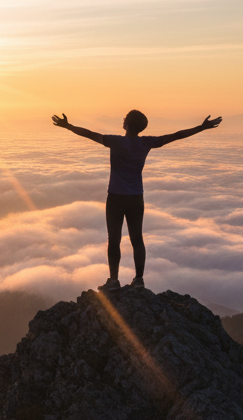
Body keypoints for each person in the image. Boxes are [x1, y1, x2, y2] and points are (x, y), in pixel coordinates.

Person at [51, 109, 221, 292]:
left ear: (127, 125)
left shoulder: (116, 142)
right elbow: (176, 136)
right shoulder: (146, 143)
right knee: (137, 239)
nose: (122, 120)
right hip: (136, 198)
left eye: (124, 119)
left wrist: (68, 126)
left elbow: (90, 134)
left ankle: (114, 281)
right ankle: (139, 279)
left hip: (115, 197)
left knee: (114, 240)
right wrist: (201, 128)